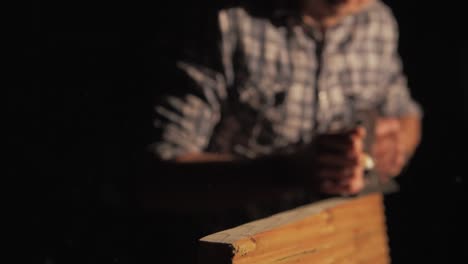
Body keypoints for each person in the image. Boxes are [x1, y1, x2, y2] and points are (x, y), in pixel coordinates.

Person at [141, 0, 422, 262]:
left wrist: (394, 147)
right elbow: (157, 179)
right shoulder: (227, 22)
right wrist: (288, 171)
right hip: (249, 251)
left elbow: (406, 114)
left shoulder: (377, 21)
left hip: (344, 245)